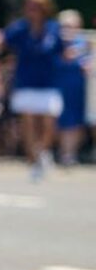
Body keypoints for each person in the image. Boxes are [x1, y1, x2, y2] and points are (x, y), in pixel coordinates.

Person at [2, 0, 66, 181]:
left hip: (49, 82)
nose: (33, 11)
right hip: (26, 82)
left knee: (49, 122)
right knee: (28, 120)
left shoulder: (53, 28)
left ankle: (42, 150)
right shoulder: (20, 28)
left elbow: (61, 51)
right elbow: (3, 41)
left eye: (37, 7)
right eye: (30, 7)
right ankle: (33, 158)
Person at [54, 11, 88, 167]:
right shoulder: (54, 43)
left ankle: (69, 153)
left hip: (78, 89)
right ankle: (62, 152)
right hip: (58, 87)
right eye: (64, 26)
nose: (67, 30)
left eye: (71, 26)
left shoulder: (84, 43)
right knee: (59, 121)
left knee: (75, 122)